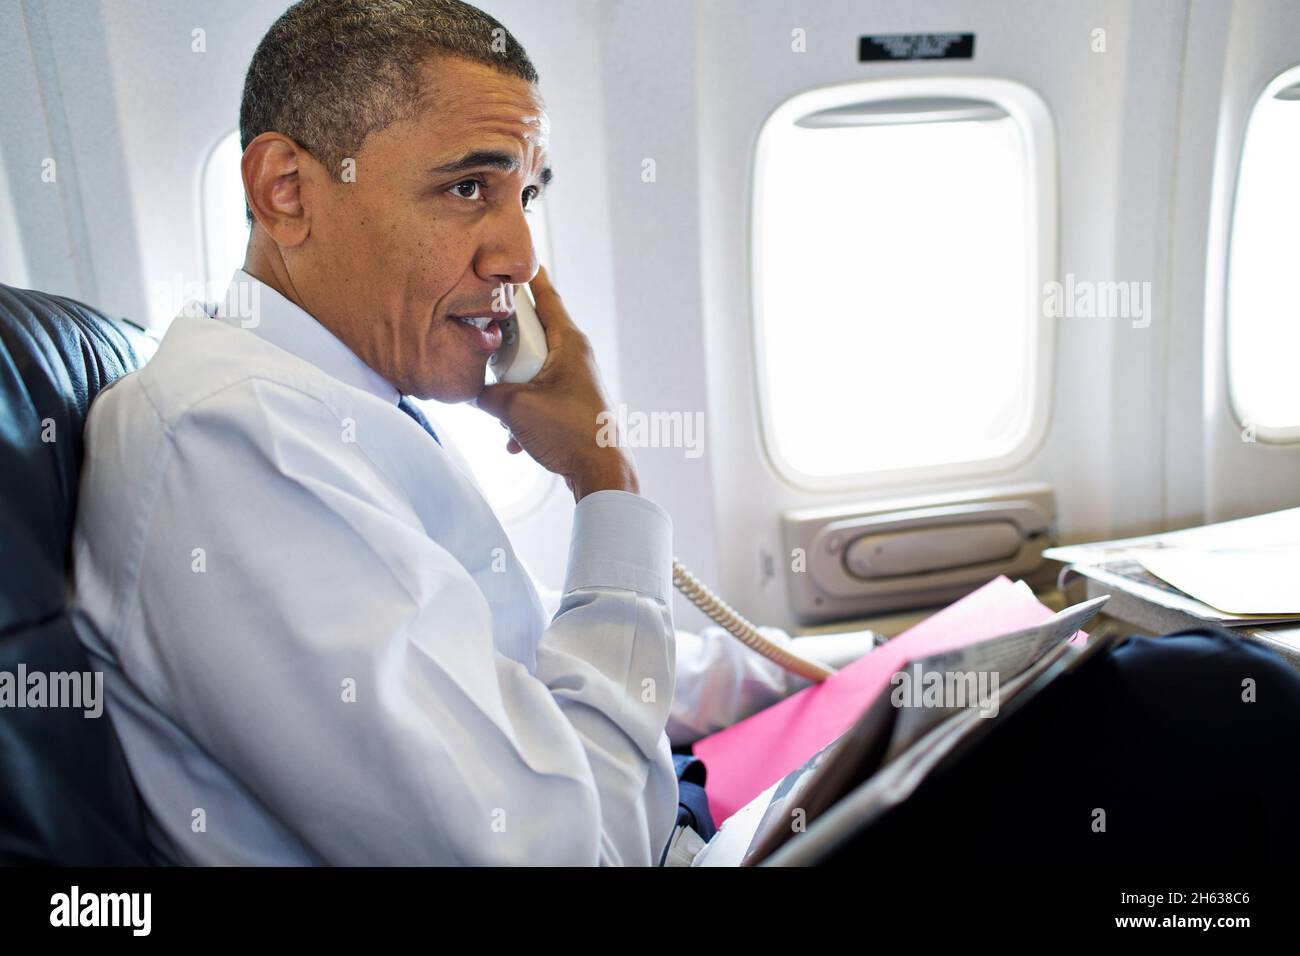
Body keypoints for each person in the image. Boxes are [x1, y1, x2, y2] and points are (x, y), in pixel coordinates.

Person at [70, 0, 872, 865]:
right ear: (285, 191)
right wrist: (605, 484)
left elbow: (535, 661)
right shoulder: (232, 447)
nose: (521, 255)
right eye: (466, 189)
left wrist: (862, 664)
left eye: (525, 193)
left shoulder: (349, 405)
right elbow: (573, 854)